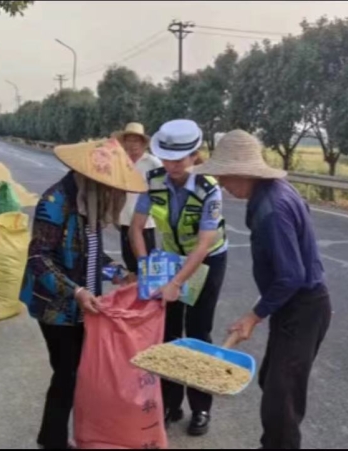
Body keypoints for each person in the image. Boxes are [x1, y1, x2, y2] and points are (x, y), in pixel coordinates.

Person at [192, 130, 332, 450]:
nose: (222, 184)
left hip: (304, 306)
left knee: (282, 397)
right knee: (271, 379)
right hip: (293, 303)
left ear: (243, 172)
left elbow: (292, 276)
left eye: (225, 176)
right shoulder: (274, 191)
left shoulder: (273, 209)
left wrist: (253, 316)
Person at [19, 137, 147, 450]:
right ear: (91, 177)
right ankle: (53, 441)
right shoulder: (55, 202)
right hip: (55, 307)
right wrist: (75, 292)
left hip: (82, 305)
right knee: (67, 374)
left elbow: (90, 255)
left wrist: (120, 274)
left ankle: (55, 437)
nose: (111, 193)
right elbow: (38, 258)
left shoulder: (88, 202)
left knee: (76, 374)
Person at [129, 119, 229, 437]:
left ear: (195, 155)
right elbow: (136, 228)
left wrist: (175, 284)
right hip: (170, 260)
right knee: (169, 333)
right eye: (167, 158)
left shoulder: (209, 189)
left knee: (198, 333)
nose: (172, 165)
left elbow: (203, 244)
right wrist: (147, 269)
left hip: (207, 261)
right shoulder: (154, 180)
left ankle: (201, 408)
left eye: (179, 159)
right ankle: (171, 404)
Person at [114, 122, 163, 273]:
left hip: (145, 222)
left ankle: (148, 287)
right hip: (124, 218)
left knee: (147, 264)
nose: (133, 144)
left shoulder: (153, 163)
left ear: (143, 143)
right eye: (129, 140)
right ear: (124, 143)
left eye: (136, 140)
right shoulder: (120, 162)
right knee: (130, 263)